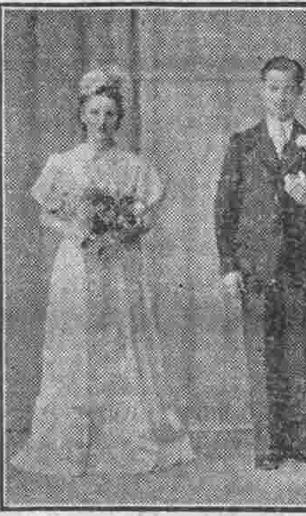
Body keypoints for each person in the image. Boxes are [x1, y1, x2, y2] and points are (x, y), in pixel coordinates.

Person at [11, 67, 195, 477]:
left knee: (122, 341)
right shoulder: (63, 163)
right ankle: (70, 444)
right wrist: (78, 233)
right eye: (94, 113)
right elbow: (45, 215)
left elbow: (145, 218)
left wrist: (125, 230)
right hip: (77, 265)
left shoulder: (133, 166)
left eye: (110, 114)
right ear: (82, 114)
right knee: (76, 346)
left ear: (119, 118)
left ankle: (128, 439)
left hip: (118, 266)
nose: (102, 122)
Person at [214, 56, 306, 470]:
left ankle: (297, 441)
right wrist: (229, 266)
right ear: (262, 90)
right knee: (261, 355)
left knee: (297, 355)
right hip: (254, 266)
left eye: (289, 88)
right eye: (273, 88)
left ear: (300, 92)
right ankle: (266, 445)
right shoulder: (242, 144)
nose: (280, 96)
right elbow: (224, 209)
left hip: (300, 266)